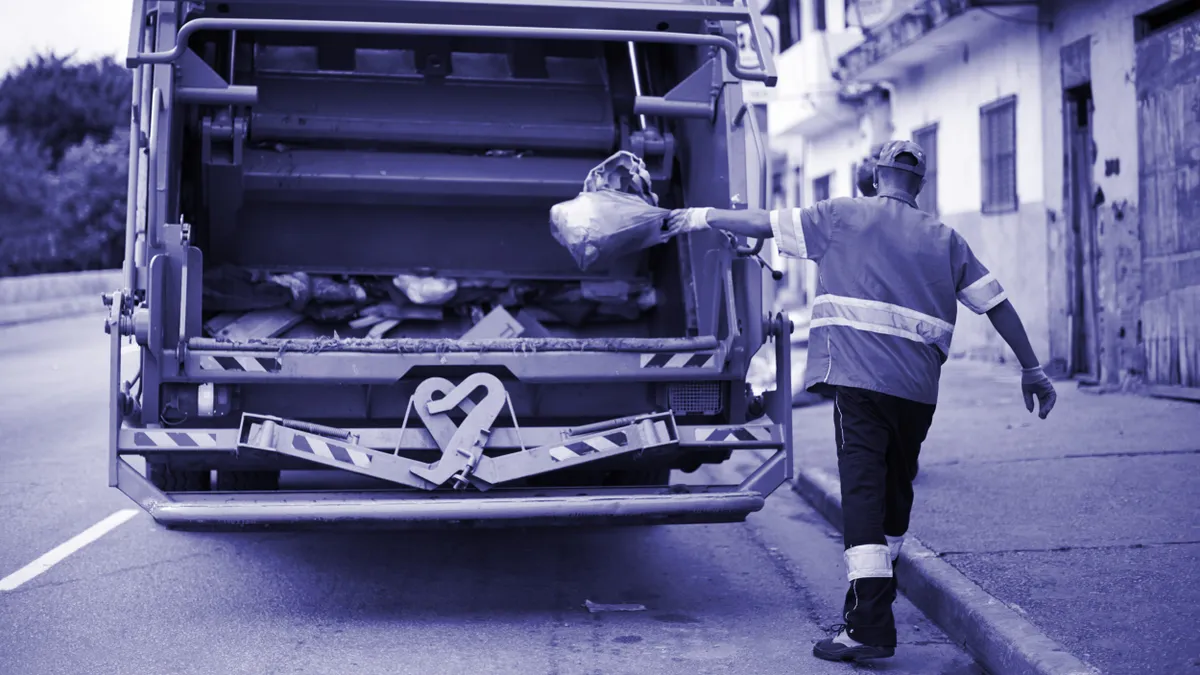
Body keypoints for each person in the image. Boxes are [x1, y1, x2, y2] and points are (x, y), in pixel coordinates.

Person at [666, 140, 1057, 663]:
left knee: (864, 499)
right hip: (918, 392)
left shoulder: (841, 216)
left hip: (858, 381)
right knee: (895, 495)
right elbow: (997, 303)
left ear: (875, 175)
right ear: (919, 184)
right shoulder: (945, 238)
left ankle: (869, 626)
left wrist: (698, 215)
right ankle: (869, 606)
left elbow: (762, 223)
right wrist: (1032, 369)